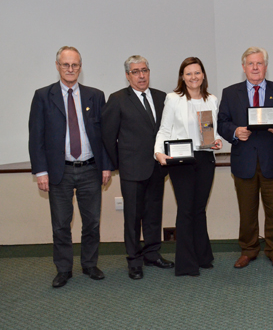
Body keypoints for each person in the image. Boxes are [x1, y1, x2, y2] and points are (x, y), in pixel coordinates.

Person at [28, 46, 113, 288]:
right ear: (57, 66)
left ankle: (89, 264)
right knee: (61, 224)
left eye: (75, 64)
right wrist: (41, 171)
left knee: (92, 222)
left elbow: (104, 135)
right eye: (66, 64)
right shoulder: (43, 96)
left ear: (80, 66)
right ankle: (64, 269)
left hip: (90, 168)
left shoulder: (95, 96)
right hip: (59, 171)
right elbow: (36, 136)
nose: (70, 69)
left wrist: (106, 166)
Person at [218, 47, 273, 270]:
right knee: (247, 210)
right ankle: (249, 249)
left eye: (259, 63)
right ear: (243, 67)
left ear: (266, 66)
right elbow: (222, 122)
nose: (255, 67)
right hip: (244, 160)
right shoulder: (230, 92)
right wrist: (235, 132)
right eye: (251, 64)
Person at [102, 55, 174, 280]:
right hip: (132, 171)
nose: (141, 75)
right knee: (132, 218)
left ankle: (152, 254)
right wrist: (118, 165)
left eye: (144, 70)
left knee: (154, 214)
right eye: (135, 71)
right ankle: (134, 261)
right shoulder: (117, 99)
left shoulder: (163, 97)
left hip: (157, 169)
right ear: (127, 75)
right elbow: (107, 136)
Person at [154, 57, 222, 277]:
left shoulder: (212, 99)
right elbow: (164, 130)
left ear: (203, 75)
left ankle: (203, 257)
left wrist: (217, 140)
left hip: (205, 159)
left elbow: (212, 131)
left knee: (199, 209)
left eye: (197, 72)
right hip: (181, 161)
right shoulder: (173, 99)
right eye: (189, 73)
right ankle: (186, 264)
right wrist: (158, 152)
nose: (194, 77)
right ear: (182, 77)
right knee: (186, 210)